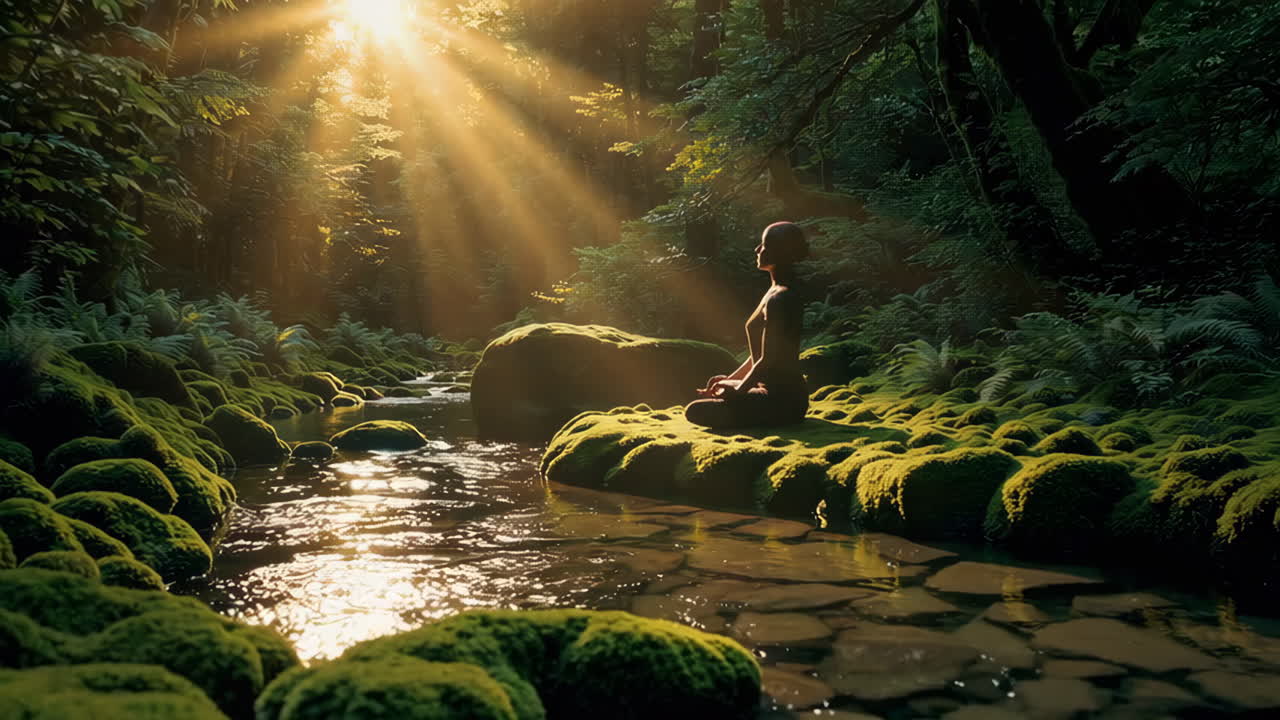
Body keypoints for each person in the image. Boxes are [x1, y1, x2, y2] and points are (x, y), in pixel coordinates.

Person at [685, 221, 809, 429]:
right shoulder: (773, 292)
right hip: (767, 389)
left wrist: (738, 391)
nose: (757, 249)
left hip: (783, 401)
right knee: (717, 387)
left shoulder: (781, 298)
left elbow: (768, 361)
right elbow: (757, 356)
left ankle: (768, 416)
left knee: (695, 410)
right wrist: (731, 379)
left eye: (764, 245)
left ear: (779, 252)